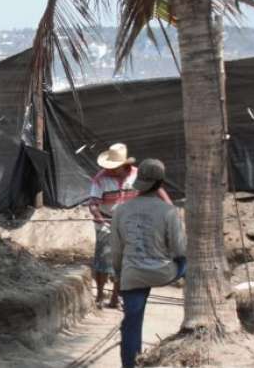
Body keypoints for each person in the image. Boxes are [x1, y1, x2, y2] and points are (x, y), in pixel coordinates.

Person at [110, 158, 186, 368]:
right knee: (188, 263)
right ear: (161, 183)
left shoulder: (120, 211)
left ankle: (130, 365)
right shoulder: (169, 212)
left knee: (131, 324)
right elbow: (180, 250)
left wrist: (119, 275)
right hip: (164, 272)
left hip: (132, 275)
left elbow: (116, 252)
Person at [89, 143, 172, 309]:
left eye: (114, 167)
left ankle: (115, 298)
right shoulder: (100, 179)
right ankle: (99, 294)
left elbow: (158, 189)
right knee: (104, 260)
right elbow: (93, 204)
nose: (110, 169)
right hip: (107, 221)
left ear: (124, 165)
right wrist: (101, 220)